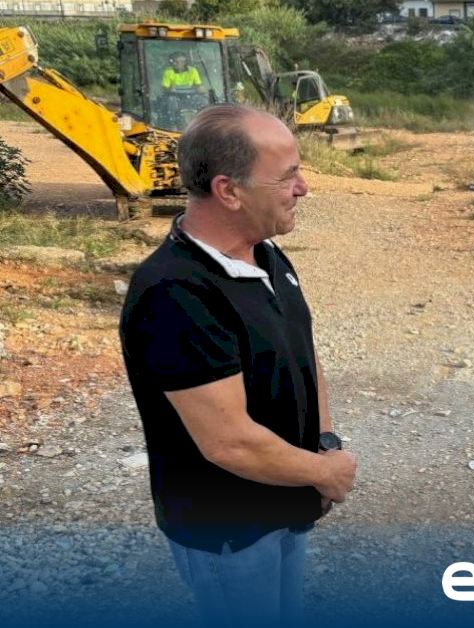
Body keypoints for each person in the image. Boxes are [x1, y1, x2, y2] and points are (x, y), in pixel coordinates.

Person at [118, 104, 357, 626]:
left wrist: (324, 442)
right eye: (287, 176)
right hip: (229, 530)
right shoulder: (175, 293)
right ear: (228, 191)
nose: (303, 188)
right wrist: (326, 472)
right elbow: (228, 443)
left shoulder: (265, 255)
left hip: (285, 501)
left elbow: (302, 350)